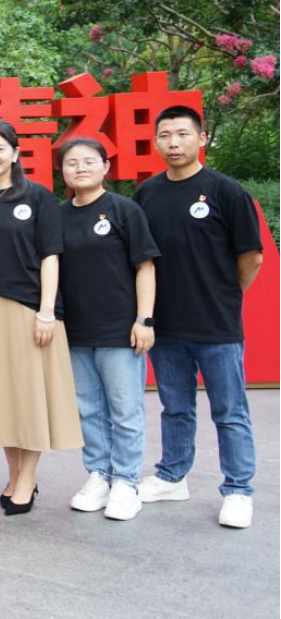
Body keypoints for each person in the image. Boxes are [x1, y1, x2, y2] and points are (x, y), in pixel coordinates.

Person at [132, 105, 264, 529]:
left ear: (201, 139)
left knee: (229, 410)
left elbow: (251, 256)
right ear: (156, 141)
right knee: (175, 407)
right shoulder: (147, 194)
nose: (173, 143)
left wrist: (226, 294)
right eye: (165, 135)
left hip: (216, 324)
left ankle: (238, 489)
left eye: (183, 134)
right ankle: (172, 476)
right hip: (165, 324)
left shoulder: (226, 191)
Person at [0, 118, 82, 515]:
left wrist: (46, 311)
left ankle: (27, 478)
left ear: (15, 153)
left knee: (29, 397)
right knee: (5, 398)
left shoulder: (38, 196)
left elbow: (51, 256)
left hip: (31, 309)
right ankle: (14, 474)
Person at [58, 138, 159, 521]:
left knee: (125, 409)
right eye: (72, 162)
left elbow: (145, 266)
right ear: (63, 172)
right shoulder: (58, 216)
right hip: (75, 331)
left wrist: (144, 319)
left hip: (120, 330)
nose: (80, 168)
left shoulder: (124, 210)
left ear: (105, 167)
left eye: (89, 161)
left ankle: (126, 481)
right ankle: (99, 474)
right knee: (88, 409)